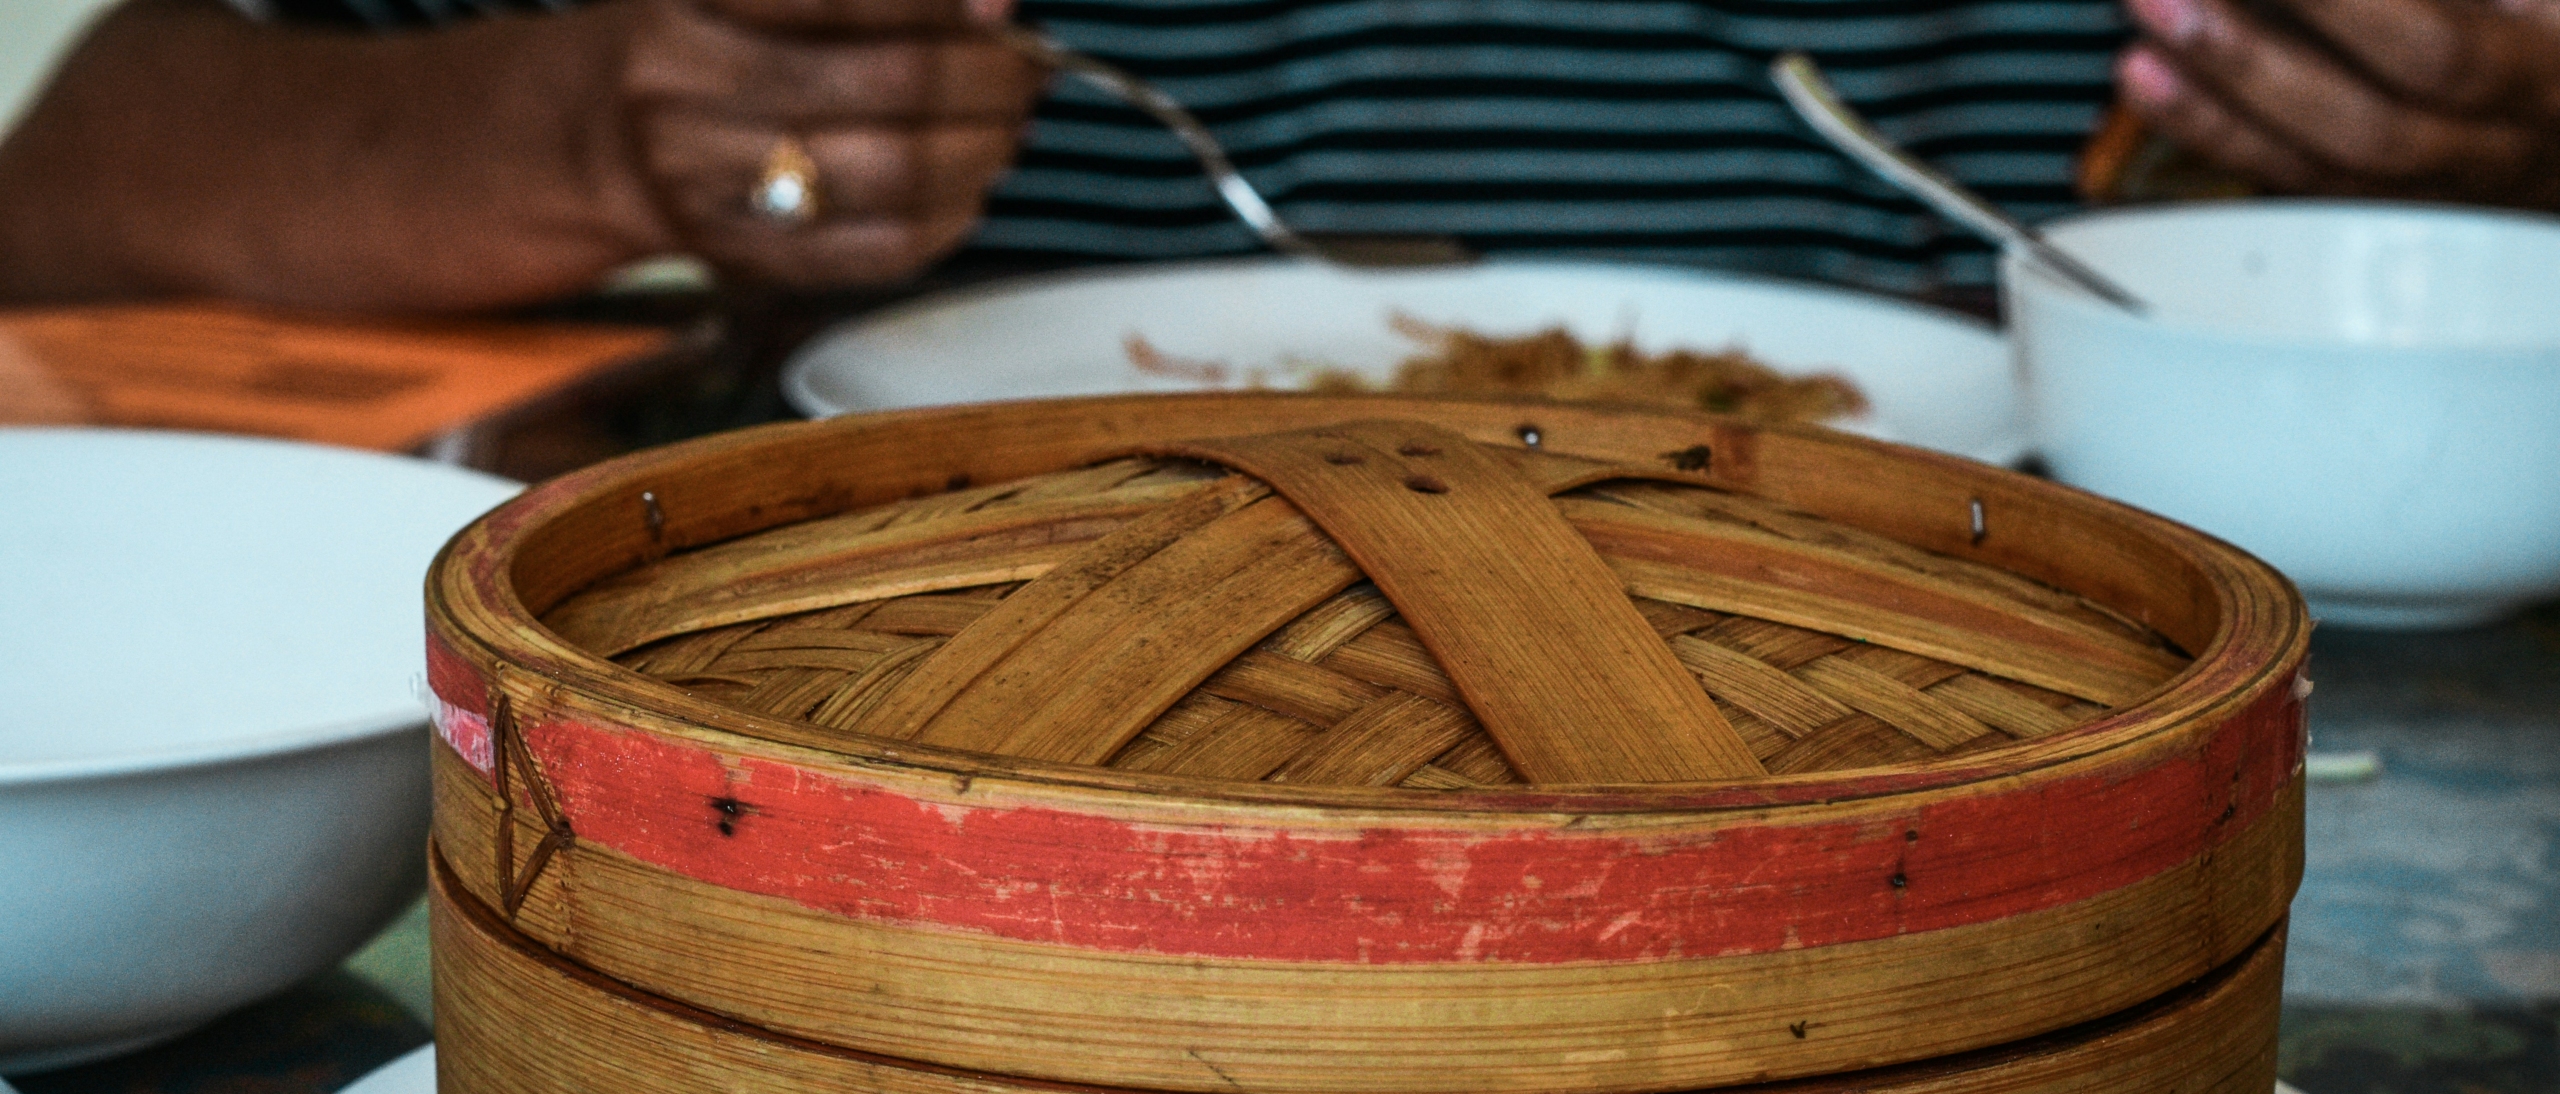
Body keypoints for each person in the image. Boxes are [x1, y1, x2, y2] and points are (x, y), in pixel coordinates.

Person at [0, 0, 2553, 313]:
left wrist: (2503, 129)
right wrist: (595, 119)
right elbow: (90, 177)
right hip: (946, 737)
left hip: (2118, 734)